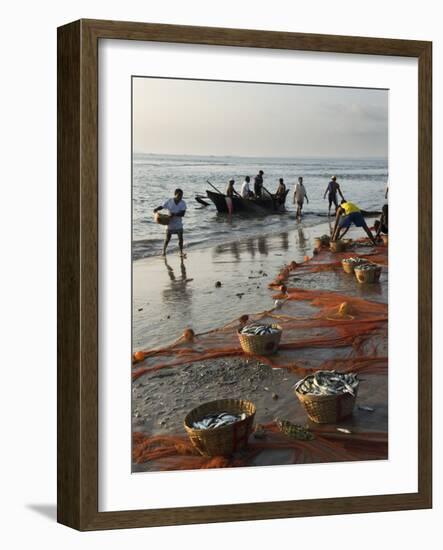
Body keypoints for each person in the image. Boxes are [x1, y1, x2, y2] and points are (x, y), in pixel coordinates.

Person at [154, 188, 187, 257]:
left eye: (181, 195)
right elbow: (162, 206)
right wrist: (156, 209)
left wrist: (174, 214)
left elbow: (183, 214)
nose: (180, 197)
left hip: (178, 224)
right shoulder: (169, 201)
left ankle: (181, 252)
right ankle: (163, 251)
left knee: (180, 239)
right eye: (179, 195)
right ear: (175, 194)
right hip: (170, 223)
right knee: (167, 239)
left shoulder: (183, 203)